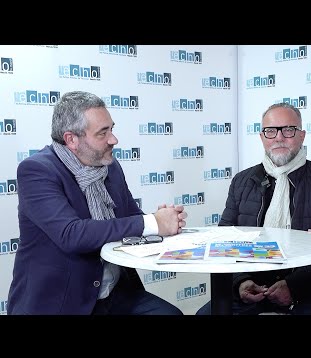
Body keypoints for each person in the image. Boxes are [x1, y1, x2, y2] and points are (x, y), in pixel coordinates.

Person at [7, 91, 188, 315]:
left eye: (112, 129)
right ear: (71, 139)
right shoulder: (37, 171)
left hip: (116, 294)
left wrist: (162, 220)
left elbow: (131, 218)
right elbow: (71, 235)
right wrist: (151, 223)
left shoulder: (110, 166)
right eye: (103, 133)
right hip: (62, 302)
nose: (114, 139)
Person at [197, 102, 311, 315]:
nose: (279, 137)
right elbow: (224, 240)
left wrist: (294, 287)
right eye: (270, 131)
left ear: (302, 136)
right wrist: (241, 282)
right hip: (251, 288)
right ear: (262, 137)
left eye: (288, 130)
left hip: (307, 290)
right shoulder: (241, 181)